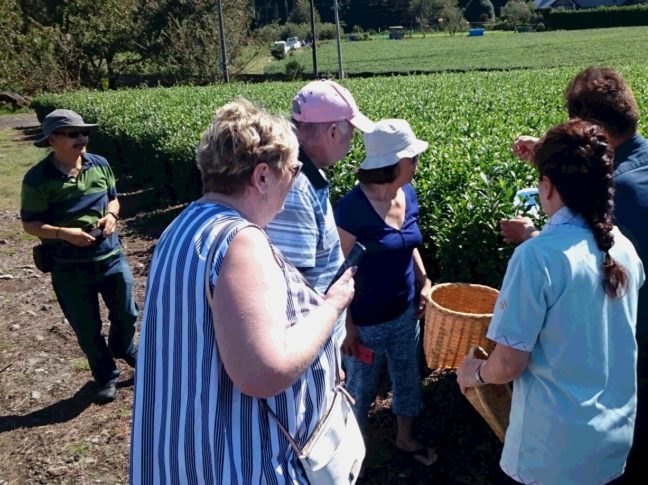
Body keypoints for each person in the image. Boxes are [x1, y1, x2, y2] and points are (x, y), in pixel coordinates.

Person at [129, 99, 356, 483]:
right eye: (294, 169)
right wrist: (332, 307)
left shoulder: (181, 226)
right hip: (235, 463)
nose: (297, 178)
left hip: (183, 452)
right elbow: (263, 373)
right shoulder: (241, 242)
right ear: (263, 177)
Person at [503, 66, 648, 483]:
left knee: (631, 461)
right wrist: (546, 150)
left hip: (634, 348)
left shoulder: (618, 191)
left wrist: (531, 235)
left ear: (589, 127)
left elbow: (583, 246)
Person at [458, 119, 645, 484]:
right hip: (613, 438)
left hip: (552, 451)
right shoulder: (623, 248)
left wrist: (473, 374)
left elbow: (508, 364)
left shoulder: (536, 258)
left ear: (546, 186)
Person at [334, 119, 436, 466]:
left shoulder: (407, 193)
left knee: (408, 379)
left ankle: (405, 439)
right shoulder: (351, 209)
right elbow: (336, 274)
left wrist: (424, 282)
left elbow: (408, 243)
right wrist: (347, 325)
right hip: (365, 323)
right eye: (413, 158)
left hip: (406, 313)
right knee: (359, 393)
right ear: (395, 164)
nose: (417, 163)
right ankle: (349, 460)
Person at [21, 109, 137, 404]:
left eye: (84, 132)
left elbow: (113, 198)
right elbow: (30, 224)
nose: (82, 138)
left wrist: (111, 216)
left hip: (110, 257)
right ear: (52, 140)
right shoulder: (37, 179)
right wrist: (64, 233)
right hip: (69, 267)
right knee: (87, 328)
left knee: (127, 311)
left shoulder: (100, 164)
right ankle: (106, 376)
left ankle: (123, 347)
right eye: (73, 133)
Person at [266, 79, 373, 345]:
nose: (352, 141)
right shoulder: (296, 189)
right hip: (309, 347)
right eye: (351, 133)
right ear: (334, 132)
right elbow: (292, 295)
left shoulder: (307, 174)